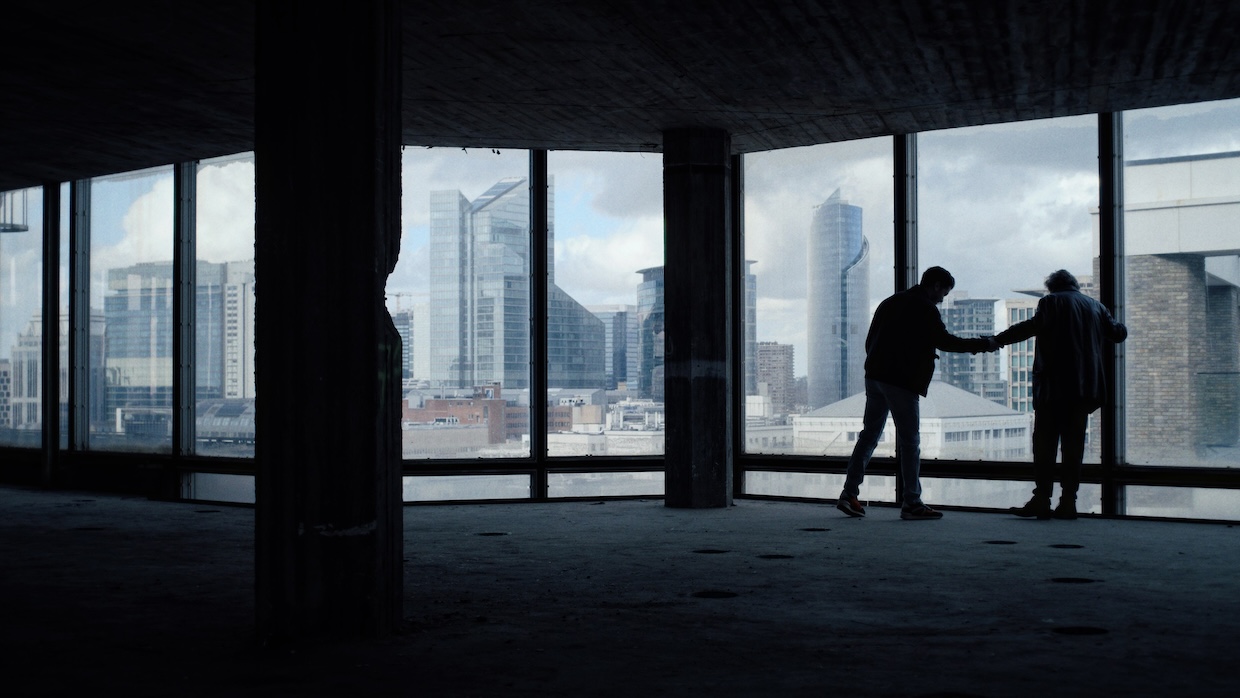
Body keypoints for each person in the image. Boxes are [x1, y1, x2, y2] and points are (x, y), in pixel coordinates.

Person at [836, 266, 992, 520]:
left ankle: (848, 494)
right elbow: (946, 342)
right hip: (900, 381)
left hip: (875, 377)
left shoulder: (890, 302)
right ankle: (912, 503)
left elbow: (869, 340)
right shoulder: (925, 308)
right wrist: (983, 345)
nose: (943, 298)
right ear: (936, 285)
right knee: (910, 442)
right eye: (944, 292)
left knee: (868, 437)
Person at [992, 269, 1127, 520]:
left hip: (1054, 388)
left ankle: (1042, 498)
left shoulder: (1051, 302)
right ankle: (1068, 503)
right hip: (1085, 389)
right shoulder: (1096, 306)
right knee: (1073, 447)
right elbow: (1118, 333)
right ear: (1074, 285)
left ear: (1052, 287)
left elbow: (1030, 327)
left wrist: (997, 340)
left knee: (1045, 445)